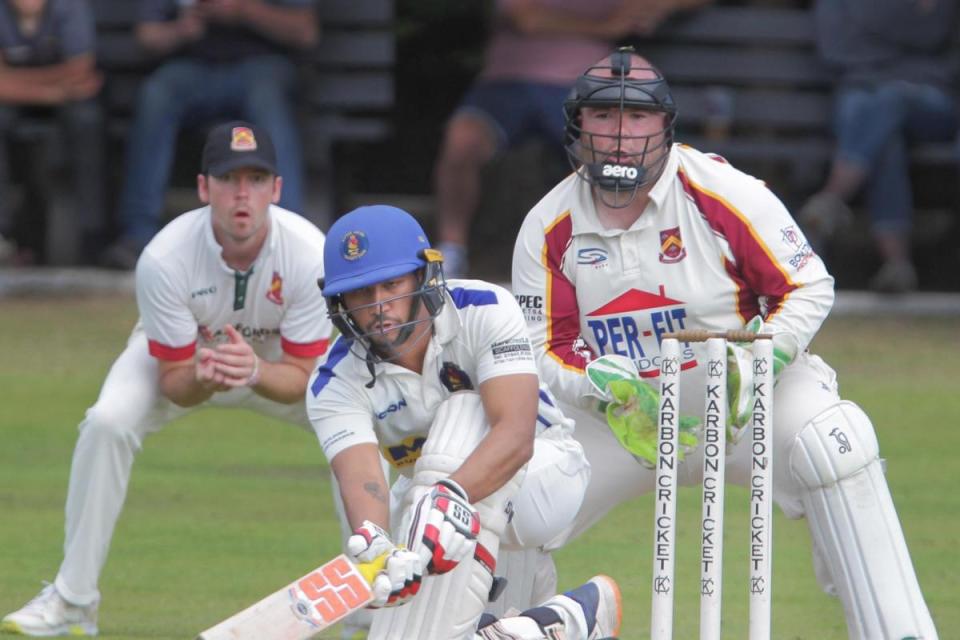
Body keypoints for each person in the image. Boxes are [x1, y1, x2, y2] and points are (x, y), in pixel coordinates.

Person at [511, 47, 940, 639]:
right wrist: (598, 388)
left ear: (665, 125)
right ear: (577, 127)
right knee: (514, 493)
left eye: (637, 118)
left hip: (743, 407)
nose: (619, 136)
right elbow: (540, 345)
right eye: (603, 117)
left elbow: (808, 286)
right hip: (625, 420)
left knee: (836, 446)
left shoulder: (720, 191)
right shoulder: (547, 225)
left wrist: (763, 360)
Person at [1, 121, 332, 637]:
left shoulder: (311, 253)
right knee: (107, 422)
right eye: (228, 179)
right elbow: (174, 379)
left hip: (277, 362)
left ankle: (376, 601)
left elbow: (305, 377)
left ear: (277, 189)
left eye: (257, 179)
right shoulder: (164, 257)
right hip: (187, 357)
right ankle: (72, 601)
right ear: (203, 189)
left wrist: (254, 371)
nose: (242, 195)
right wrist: (202, 378)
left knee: (361, 425)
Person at [307, 204, 594, 639]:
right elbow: (363, 479)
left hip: (545, 477)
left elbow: (516, 436)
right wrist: (378, 545)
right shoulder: (331, 381)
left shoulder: (484, 307)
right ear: (339, 301)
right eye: (362, 293)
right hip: (436, 515)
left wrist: (447, 499)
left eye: (391, 284)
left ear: (423, 276)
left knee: (462, 410)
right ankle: (563, 622)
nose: (379, 305)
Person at [433, 0, 712, 278]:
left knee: (611, 152)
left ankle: (616, 255)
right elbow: (526, 18)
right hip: (506, 84)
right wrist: (606, 26)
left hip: (585, 87)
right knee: (461, 143)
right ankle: (452, 252)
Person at [101, 0, 319, 270]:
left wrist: (243, 11)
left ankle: (288, 239)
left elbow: (305, 31)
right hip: (192, 68)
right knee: (156, 94)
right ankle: (137, 236)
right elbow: (148, 35)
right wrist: (182, 29)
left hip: (262, 68)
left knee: (269, 98)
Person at [796, 0, 959, 293]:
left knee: (887, 100)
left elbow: (931, 32)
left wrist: (877, 43)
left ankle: (834, 195)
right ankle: (897, 265)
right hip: (864, 92)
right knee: (884, 133)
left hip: (930, 99)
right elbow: (836, 49)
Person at [0, 0, 104, 264]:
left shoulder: (70, 6)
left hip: (67, 106)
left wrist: (13, 79)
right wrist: (53, 92)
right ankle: (4, 233)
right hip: (44, 98)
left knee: (87, 120)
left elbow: (81, 69)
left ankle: (91, 235)